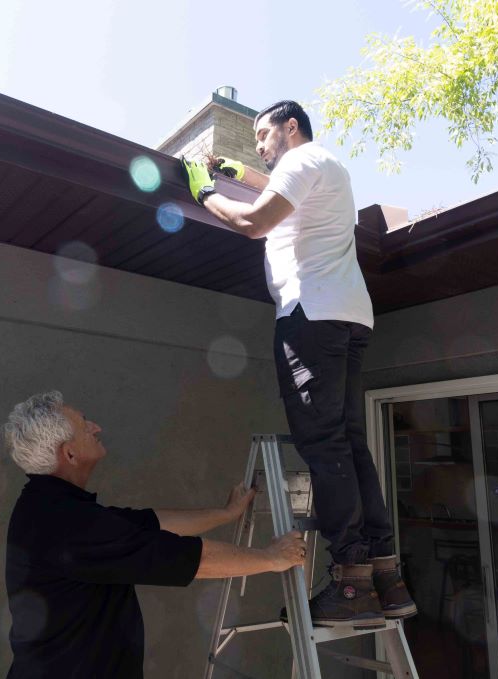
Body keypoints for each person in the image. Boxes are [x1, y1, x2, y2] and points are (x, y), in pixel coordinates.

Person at [180, 100, 417, 627]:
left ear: (292, 128)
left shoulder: (300, 162)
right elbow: (275, 188)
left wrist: (206, 190)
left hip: (311, 316)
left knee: (324, 443)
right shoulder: (326, 166)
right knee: (350, 442)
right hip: (350, 316)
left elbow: (252, 222)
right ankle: (385, 575)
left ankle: (350, 582)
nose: (260, 146)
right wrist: (238, 170)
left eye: (264, 135)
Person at [2, 390, 306, 679]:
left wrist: (225, 513)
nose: (96, 427)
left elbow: (150, 523)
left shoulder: (47, 507)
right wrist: (271, 557)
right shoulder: (68, 523)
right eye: (84, 426)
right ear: (69, 454)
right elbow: (189, 559)